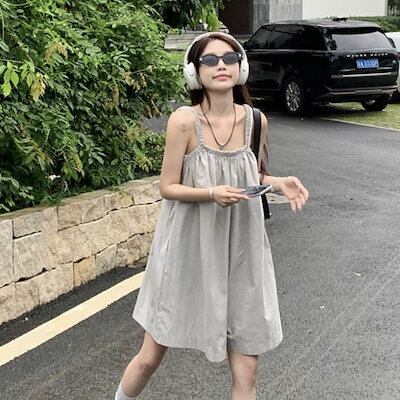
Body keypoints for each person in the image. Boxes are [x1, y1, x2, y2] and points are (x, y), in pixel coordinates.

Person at [115, 31, 309, 400]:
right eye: (210, 60)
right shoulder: (183, 121)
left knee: (248, 369)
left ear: (241, 68)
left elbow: (252, 177)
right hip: (189, 248)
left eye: (230, 58)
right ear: (195, 72)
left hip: (241, 252)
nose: (221, 65)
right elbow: (167, 186)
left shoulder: (256, 121)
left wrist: (277, 182)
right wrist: (210, 194)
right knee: (149, 358)